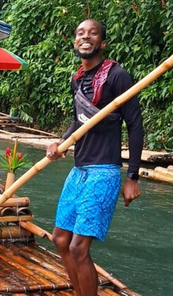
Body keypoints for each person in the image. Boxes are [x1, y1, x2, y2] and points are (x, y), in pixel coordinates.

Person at [46, 19, 144, 296]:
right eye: (80, 33)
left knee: (79, 247)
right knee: (61, 239)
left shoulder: (117, 75)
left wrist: (132, 177)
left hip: (104, 171)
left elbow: (135, 125)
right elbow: (78, 122)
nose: (85, 37)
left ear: (102, 43)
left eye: (92, 34)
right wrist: (61, 143)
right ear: (75, 42)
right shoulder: (76, 78)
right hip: (80, 170)